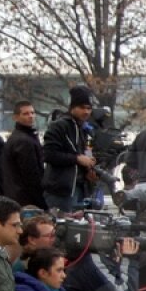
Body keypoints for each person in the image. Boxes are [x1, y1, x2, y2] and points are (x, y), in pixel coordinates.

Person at [42, 85, 97, 213]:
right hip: (60, 191)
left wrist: (89, 169)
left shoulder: (85, 130)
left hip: (79, 189)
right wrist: (77, 159)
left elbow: (85, 154)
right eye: (82, 107)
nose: (86, 112)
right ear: (72, 107)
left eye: (89, 108)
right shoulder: (59, 126)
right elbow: (49, 154)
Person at [1, 100, 45, 209]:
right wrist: (41, 200)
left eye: (32, 113)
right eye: (25, 114)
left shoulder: (22, 137)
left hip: (18, 196)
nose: (30, 116)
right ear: (16, 117)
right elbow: (31, 174)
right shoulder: (23, 141)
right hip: (26, 199)